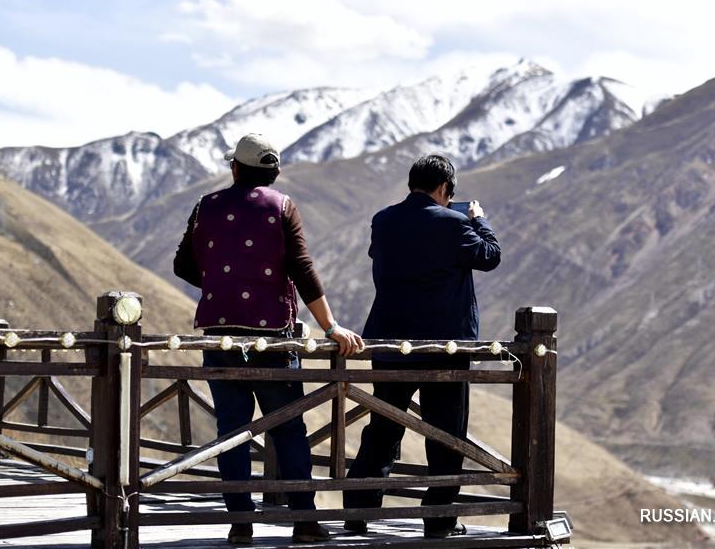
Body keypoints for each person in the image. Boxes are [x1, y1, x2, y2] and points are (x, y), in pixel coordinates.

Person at [174, 133, 363, 544]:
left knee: (231, 430)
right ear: (274, 173)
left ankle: (241, 522)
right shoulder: (282, 208)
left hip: (220, 339)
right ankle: (305, 521)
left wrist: (221, 284)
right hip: (272, 341)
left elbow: (182, 264)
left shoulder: (206, 206)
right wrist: (330, 327)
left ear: (235, 169)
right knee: (288, 428)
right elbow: (302, 268)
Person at [342, 154, 501, 539]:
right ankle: (440, 519)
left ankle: (358, 512)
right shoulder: (456, 223)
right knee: (446, 435)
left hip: (389, 343)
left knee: (382, 429)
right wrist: (479, 219)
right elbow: (490, 256)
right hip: (443, 348)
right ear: (445, 189)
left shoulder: (383, 220)